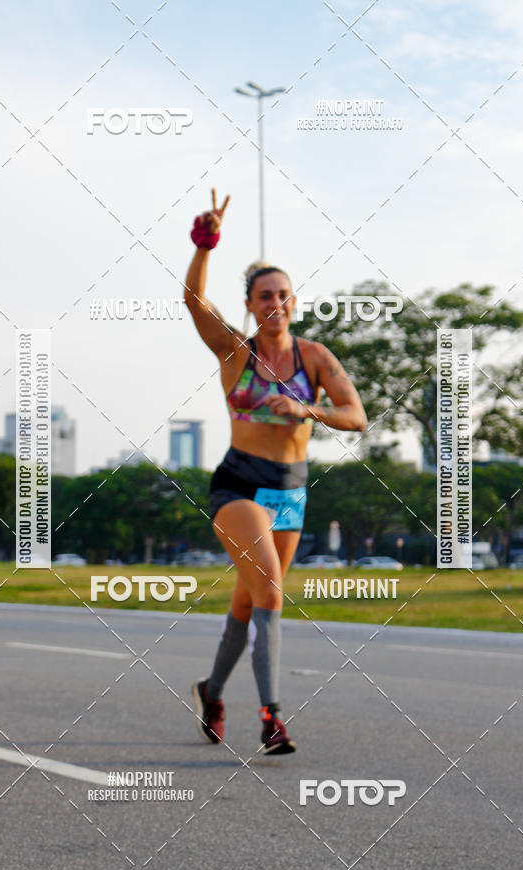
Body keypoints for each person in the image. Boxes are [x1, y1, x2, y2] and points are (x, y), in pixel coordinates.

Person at [186, 189, 367, 754]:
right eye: (265, 295)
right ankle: (272, 717)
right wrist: (204, 245)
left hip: (291, 491)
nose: (276, 302)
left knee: (249, 601)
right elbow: (194, 300)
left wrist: (308, 408)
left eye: (284, 294)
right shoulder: (235, 352)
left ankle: (211, 693)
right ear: (250, 303)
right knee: (269, 585)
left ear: (294, 301)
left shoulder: (315, 357)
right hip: (239, 486)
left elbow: (356, 416)